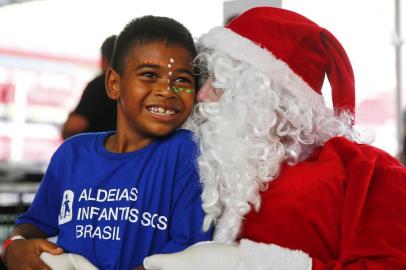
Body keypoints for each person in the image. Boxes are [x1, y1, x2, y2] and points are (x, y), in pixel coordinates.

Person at [143, 7, 406, 270]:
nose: (201, 97)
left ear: (264, 96)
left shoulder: (365, 171)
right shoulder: (213, 170)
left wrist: (254, 264)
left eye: (218, 83)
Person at [2, 15, 212, 270]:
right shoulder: (72, 154)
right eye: (149, 75)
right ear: (114, 84)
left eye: (182, 80)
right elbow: (36, 222)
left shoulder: (188, 153)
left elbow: (188, 251)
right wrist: (15, 245)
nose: (167, 91)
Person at [61, 35, 117, 139]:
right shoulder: (132, 85)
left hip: (97, 152)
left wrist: (71, 117)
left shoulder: (100, 84)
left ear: (103, 60)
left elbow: (74, 127)